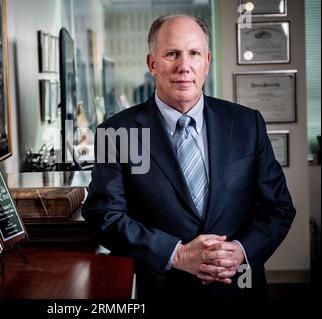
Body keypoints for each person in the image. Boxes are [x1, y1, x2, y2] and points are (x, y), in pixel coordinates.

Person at [81, 15, 295, 300]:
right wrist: (178, 254)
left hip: (237, 288)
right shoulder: (117, 132)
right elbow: (104, 217)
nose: (184, 67)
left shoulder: (247, 124)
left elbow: (278, 208)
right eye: (172, 54)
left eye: (193, 53)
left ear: (206, 62)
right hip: (161, 291)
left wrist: (240, 251)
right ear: (152, 64)